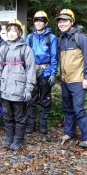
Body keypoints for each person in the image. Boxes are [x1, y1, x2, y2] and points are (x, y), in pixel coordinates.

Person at [0, 19, 36, 151]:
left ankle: (18, 140)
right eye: (9, 31)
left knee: (20, 116)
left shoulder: (26, 49)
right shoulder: (3, 48)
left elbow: (31, 70)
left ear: (19, 32)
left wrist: (29, 89)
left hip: (19, 88)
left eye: (14, 31)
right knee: (7, 115)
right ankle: (10, 137)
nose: (12, 33)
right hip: (5, 88)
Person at [56, 9, 87, 148]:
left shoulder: (80, 37)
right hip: (66, 80)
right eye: (60, 21)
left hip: (78, 79)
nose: (62, 23)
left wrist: (86, 77)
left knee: (79, 109)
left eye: (65, 20)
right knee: (68, 108)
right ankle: (69, 132)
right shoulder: (62, 39)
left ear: (72, 22)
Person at [25, 11, 58, 139]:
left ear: (46, 23)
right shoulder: (30, 37)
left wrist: (53, 73)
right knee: (31, 99)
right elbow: (26, 56)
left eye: (41, 21)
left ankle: (43, 125)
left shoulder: (52, 38)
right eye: (36, 20)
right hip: (32, 71)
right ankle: (31, 124)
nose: (38, 23)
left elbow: (54, 57)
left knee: (45, 99)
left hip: (46, 71)